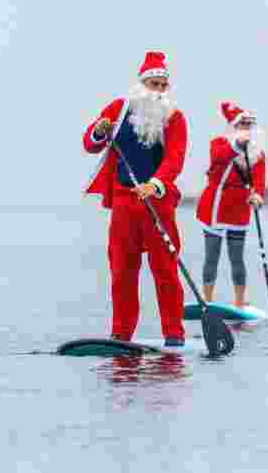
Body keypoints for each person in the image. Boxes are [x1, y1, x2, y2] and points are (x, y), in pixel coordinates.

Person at [83, 51, 188, 346]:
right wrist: (99, 131)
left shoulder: (175, 118)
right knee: (121, 271)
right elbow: (90, 143)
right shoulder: (119, 109)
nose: (157, 90)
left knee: (165, 269)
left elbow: (175, 158)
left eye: (161, 86)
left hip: (158, 202)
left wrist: (155, 184)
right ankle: (121, 333)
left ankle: (174, 334)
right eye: (152, 84)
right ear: (141, 84)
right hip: (123, 201)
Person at [195, 102, 267, 306]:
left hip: (239, 209)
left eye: (248, 125)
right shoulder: (218, 143)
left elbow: (259, 180)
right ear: (232, 127)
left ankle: (239, 302)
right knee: (212, 256)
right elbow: (218, 158)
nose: (245, 128)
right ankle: (207, 301)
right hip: (214, 208)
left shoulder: (257, 153)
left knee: (237, 259)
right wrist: (236, 147)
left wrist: (258, 196)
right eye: (241, 124)